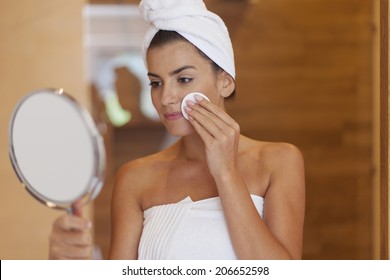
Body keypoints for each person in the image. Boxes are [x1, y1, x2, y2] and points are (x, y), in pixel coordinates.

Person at [49, 0, 305, 260]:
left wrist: (226, 173)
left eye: (183, 79)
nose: (166, 97)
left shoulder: (278, 162)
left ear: (225, 82)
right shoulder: (135, 178)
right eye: (156, 83)